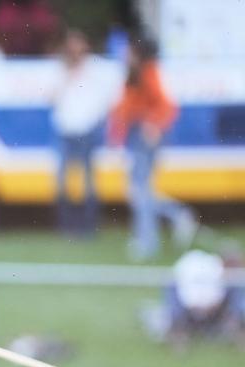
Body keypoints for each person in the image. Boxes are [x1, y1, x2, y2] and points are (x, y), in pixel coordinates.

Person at [108, 36, 195, 260]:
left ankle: (147, 241)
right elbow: (126, 107)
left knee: (139, 189)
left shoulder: (149, 72)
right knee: (139, 190)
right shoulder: (134, 74)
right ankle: (177, 215)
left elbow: (167, 106)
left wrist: (154, 125)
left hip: (145, 135)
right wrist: (116, 134)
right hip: (136, 134)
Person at [50, 29, 117, 236]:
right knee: (62, 181)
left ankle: (89, 227)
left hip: (87, 130)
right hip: (65, 130)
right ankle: (66, 226)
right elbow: (51, 97)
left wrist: (97, 120)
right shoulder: (61, 69)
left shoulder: (97, 68)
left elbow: (108, 97)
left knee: (89, 181)